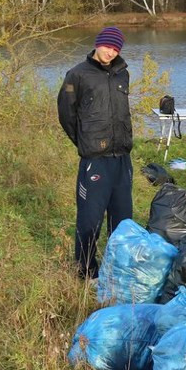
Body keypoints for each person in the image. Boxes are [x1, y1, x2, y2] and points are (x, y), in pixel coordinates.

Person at [57, 26, 134, 279]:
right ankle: (86, 272)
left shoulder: (123, 74)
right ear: (97, 44)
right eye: (107, 46)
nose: (110, 52)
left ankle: (118, 272)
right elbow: (67, 115)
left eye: (116, 49)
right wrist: (84, 142)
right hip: (95, 161)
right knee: (90, 222)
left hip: (122, 159)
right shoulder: (77, 75)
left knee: (123, 223)